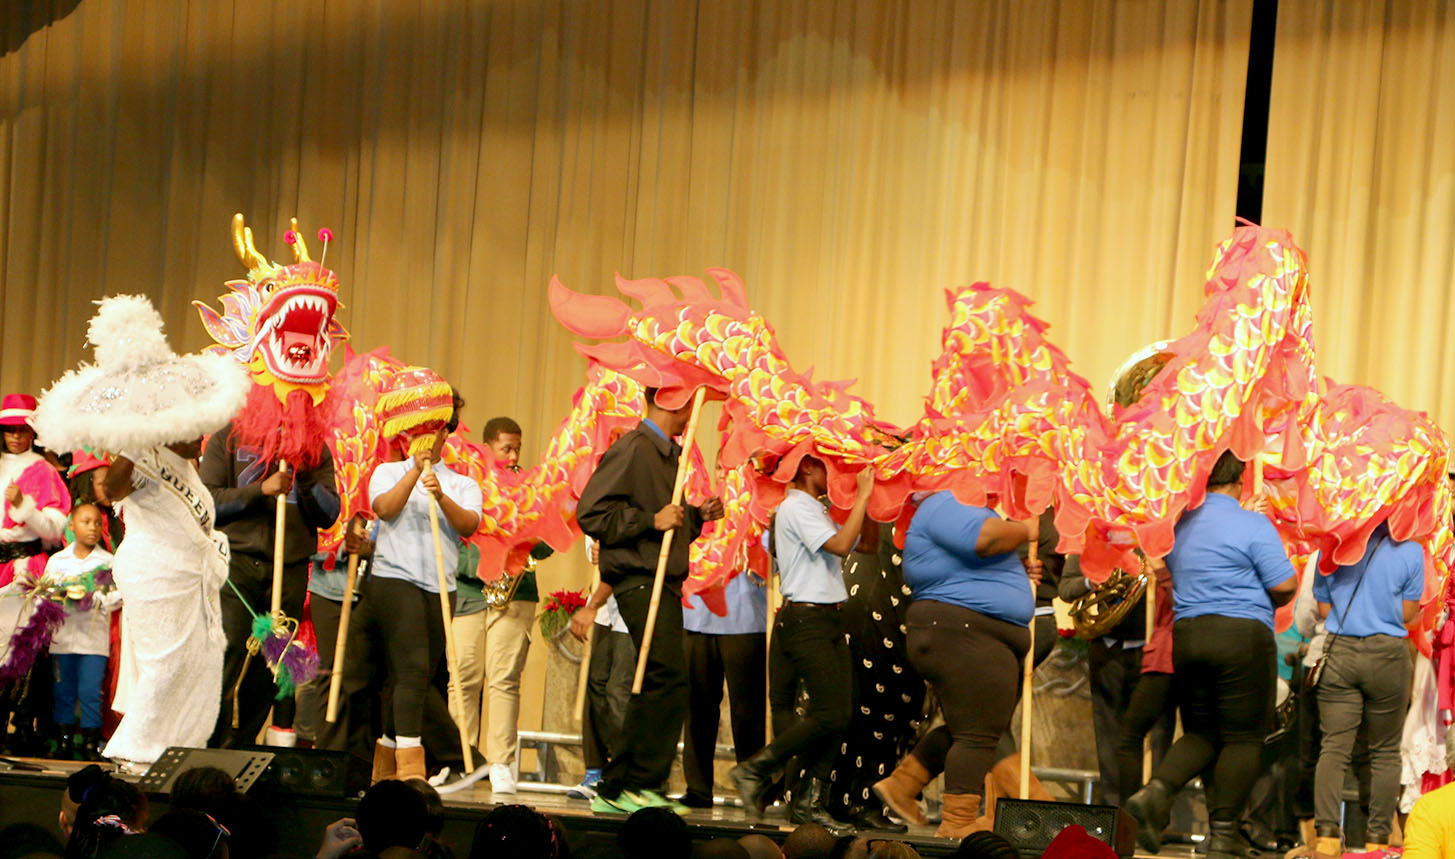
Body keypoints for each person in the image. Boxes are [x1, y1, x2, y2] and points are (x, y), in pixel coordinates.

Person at [1126, 451, 1297, 858]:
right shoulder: (1252, 523)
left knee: (1202, 733)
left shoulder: (1180, 525)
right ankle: (1222, 838)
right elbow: (1286, 586)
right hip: (1241, 636)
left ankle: (1156, 790)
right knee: (1243, 737)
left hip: (1189, 635)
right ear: (1238, 482)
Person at [569, 387, 724, 815]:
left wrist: (696, 515)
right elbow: (592, 511)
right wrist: (649, 520)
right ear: (670, 400)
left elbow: (668, 524)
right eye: (690, 404)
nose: (692, 413)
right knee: (666, 679)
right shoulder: (635, 447)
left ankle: (625, 783)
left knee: (662, 681)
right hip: (638, 579)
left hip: (662, 580)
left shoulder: (669, 454)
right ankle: (633, 783)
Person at [871, 491, 1041, 839]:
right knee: (977, 735)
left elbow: (969, 557)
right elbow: (986, 538)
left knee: (971, 728)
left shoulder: (960, 506)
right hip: (966, 632)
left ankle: (903, 784)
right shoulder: (945, 501)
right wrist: (1026, 529)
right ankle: (957, 826)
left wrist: (1013, 571)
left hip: (972, 632)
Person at [731, 456, 873, 835]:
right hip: (809, 619)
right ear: (808, 467)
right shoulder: (796, 506)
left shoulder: (813, 508)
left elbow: (868, 545)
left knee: (837, 714)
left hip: (819, 616)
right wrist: (861, 496)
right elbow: (843, 546)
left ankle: (803, 800)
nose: (837, 474)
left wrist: (873, 501)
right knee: (832, 713)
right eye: (829, 465)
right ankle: (757, 770)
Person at [365, 394, 483, 782]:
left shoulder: (462, 483)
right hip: (394, 580)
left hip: (440, 587)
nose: (428, 439)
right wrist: (414, 473)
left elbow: (468, 526)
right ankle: (411, 768)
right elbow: (384, 509)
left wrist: (441, 495)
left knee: (413, 677)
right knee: (413, 670)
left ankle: (383, 764)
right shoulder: (387, 471)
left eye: (437, 431)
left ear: (447, 433)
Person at [202, 414, 339, 749]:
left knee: (273, 666)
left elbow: (330, 513)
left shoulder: (313, 447)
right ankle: (209, 748)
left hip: (289, 567)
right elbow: (208, 503)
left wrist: (305, 478)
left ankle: (242, 746)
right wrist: (259, 490)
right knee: (228, 655)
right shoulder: (228, 436)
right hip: (237, 565)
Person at [1308, 524, 1422, 856]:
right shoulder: (1411, 551)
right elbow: (1409, 614)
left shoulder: (1332, 544)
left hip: (1340, 651)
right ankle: (1378, 840)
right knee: (1385, 752)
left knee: (1334, 748)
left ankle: (1327, 837)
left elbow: (1324, 609)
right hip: (1388, 654)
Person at [449, 416, 545, 794]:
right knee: (463, 680)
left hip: (515, 592)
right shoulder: (463, 483)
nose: (513, 455)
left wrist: (526, 532)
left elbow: (549, 543)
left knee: (504, 680)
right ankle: (461, 758)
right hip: (469, 591)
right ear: (487, 447)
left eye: (518, 448)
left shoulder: (531, 487)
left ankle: (501, 763)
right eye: (506, 448)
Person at [826, 521, 924, 832]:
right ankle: (860, 801)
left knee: (872, 715)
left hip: (882, 620)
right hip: (875, 620)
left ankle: (848, 800)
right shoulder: (885, 511)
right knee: (876, 715)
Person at [1057, 553, 1174, 807]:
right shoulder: (1095, 535)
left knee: (1159, 732)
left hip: (1154, 648)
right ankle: (1115, 810)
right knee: (1109, 731)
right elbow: (1066, 588)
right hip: (1108, 648)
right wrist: (1093, 581)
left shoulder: (1163, 538)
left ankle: (1153, 812)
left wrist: (1162, 573)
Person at [0, 393, 72, 754]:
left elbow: (53, 531)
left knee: (17, 654)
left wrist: (22, 507)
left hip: (23, 569)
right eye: (9, 430)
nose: (15, 436)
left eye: (21, 429)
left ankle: (13, 728)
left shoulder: (42, 470)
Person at [680, 569, 768, 809]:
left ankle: (753, 787)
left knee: (748, 713)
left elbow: (771, 557)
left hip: (745, 613)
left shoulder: (757, 527)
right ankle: (698, 788)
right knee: (697, 710)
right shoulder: (694, 528)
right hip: (696, 613)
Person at [43, 503, 121, 760]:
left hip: (93, 641)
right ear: (72, 526)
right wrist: (59, 596)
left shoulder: (108, 561)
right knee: (63, 692)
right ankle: (63, 741)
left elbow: (120, 595)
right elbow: (43, 594)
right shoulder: (57, 561)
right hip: (62, 640)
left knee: (90, 691)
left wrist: (97, 598)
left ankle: (90, 742)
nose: (93, 528)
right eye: (86, 522)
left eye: (98, 523)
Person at [570, 540, 636, 801]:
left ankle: (627, 772)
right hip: (606, 606)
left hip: (632, 601)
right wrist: (594, 550)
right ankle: (596, 769)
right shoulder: (598, 503)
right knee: (596, 683)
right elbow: (593, 539)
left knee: (619, 688)